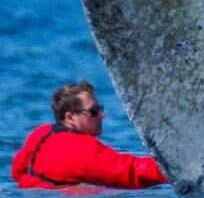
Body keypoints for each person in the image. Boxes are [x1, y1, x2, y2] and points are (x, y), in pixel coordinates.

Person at [11, 81, 168, 190]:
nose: (102, 116)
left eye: (100, 109)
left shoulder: (41, 133)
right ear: (70, 117)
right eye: (94, 112)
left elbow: (17, 169)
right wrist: (176, 166)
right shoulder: (77, 150)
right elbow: (131, 172)